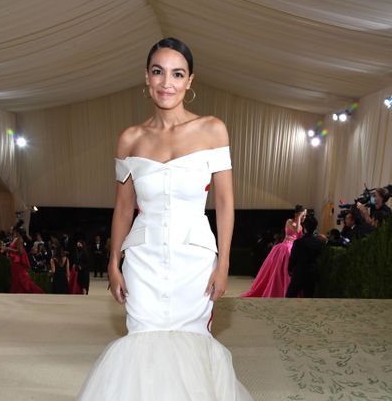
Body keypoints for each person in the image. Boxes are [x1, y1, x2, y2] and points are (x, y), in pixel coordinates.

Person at [77, 37, 253, 400]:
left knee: (192, 342)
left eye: (177, 74)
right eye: (158, 72)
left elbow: (224, 202)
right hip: (143, 259)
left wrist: (224, 263)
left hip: (195, 260)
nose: (166, 83)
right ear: (146, 77)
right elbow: (124, 208)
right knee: (142, 340)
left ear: (190, 81)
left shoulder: (212, 130)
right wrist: (113, 262)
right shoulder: (130, 138)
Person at [240, 205, 307, 298]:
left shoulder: (301, 227)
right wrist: (299, 218)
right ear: (297, 214)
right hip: (285, 247)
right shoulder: (289, 221)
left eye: (305, 216)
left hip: (293, 249)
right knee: (279, 271)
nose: (304, 217)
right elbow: (295, 231)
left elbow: (300, 239)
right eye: (303, 215)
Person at [285, 215, 326, 298]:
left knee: (289, 297)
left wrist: (289, 269)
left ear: (304, 228)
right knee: (309, 298)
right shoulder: (320, 243)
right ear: (315, 227)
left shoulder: (298, 242)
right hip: (312, 273)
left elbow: (293, 258)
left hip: (298, 273)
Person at [7, 227, 44, 294]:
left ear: (16, 231)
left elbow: (20, 252)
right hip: (15, 262)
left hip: (17, 263)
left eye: (12, 230)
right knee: (18, 279)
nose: (11, 231)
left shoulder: (19, 239)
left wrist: (8, 249)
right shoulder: (16, 238)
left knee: (21, 278)